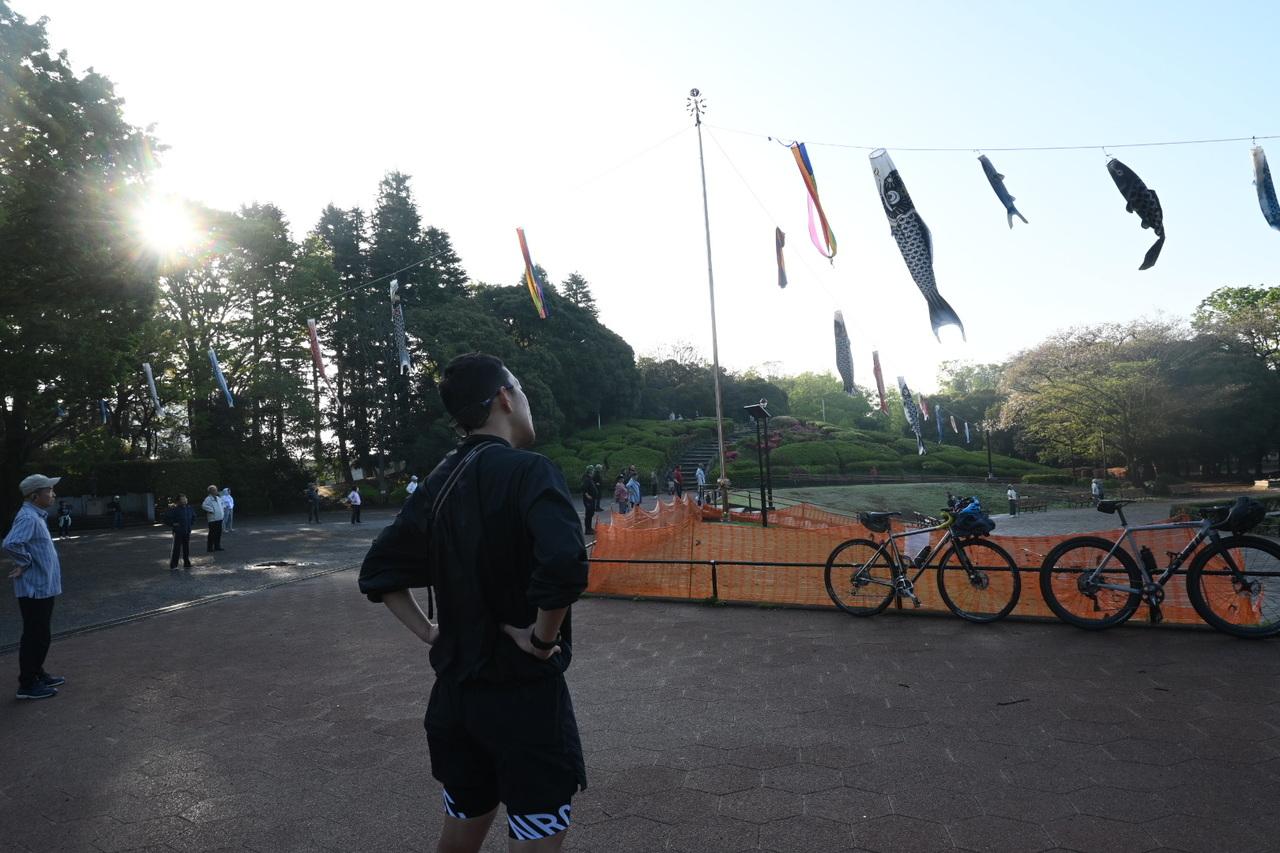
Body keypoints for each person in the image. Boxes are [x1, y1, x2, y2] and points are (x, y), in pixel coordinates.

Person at [358, 352, 588, 852]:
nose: (525, 401)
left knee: (461, 829)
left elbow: (378, 570)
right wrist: (542, 640)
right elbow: (565, 562)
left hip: (455, 699)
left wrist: (430, 632)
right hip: (523, 698)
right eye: (521, 390)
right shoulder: (529, 471)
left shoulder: (438, 481)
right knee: (537, 829)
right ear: (504, 397)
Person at [3, 474, 66, 700]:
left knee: (41, 634)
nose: (53, 494)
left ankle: (37, 673)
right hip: (34, 588)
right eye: (49, 490)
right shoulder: (29, 517)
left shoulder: (35, 515)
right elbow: (11, 543)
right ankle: (27, 684)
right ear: (34, 495)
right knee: (35, 635)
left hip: (42, 586)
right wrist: (24, 562)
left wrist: (25, 562)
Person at [166, 494, 195, 570]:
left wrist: (190, 524)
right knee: (176, 548)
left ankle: (186, 563)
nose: (185, 500)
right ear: (178, 501)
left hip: (187, 530)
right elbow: (166, 518)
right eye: (182, 499)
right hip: (178, 531)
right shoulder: (174, 509)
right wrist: (173, 524)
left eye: (185, 498)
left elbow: (193, 516)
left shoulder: (189, 508)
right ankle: (174, 565)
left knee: (186, 548)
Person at [201, 485, 225, 552]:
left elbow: (222, 504)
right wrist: (212, 510)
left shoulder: (218, 498)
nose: (216, 491)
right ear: (211, 491)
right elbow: (203, 506)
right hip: (212, 519)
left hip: (219, 518)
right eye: (214, 490)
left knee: (218, 533)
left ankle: (217, 546)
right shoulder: (208, 499)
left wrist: (222, 510)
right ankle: (210, 548)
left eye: (216, 489)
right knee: (212, 534)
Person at [580, 466, 597, 535]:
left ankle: (589, 528)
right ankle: (587, 530)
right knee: (588, 514)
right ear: (590, 472)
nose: (593, 472)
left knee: (591, 513)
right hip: (588, 500)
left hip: (591, 499)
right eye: (592, 471)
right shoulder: (586, 479)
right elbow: (584, 488)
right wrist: (587, 495)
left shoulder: (590, 478)